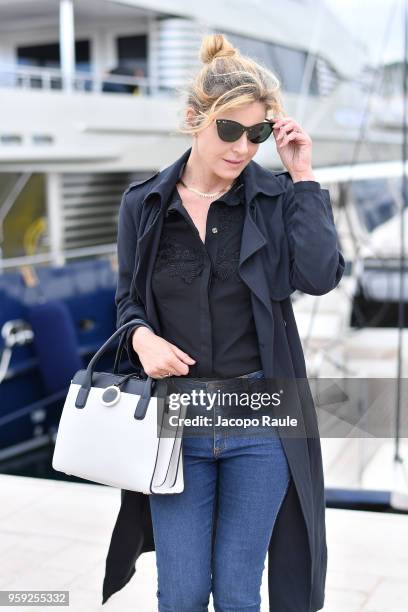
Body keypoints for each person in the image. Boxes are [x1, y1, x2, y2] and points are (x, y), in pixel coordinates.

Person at [102, 33, 345, 612]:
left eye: (256, 134)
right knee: (181, 592)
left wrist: (303, 175)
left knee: (238, 593)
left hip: (260, 423)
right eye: (229, 131)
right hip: (177, 423)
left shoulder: (277, 196)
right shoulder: (144, 204)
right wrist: (141, 338)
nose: (243, 148)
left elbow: (319, 275)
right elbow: (126, 301)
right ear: (194, 120)